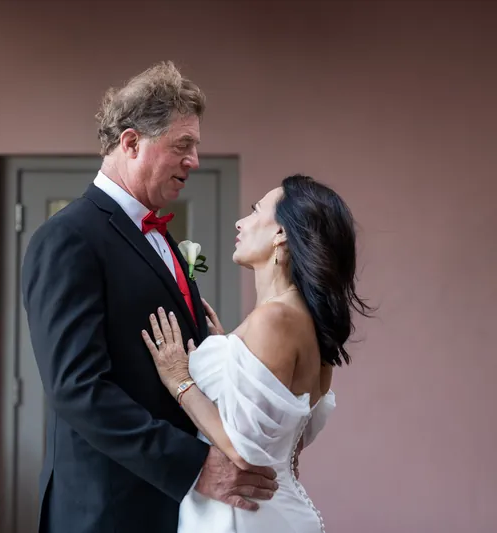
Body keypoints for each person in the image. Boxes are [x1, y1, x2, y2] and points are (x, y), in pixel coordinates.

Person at [21, 61, 277, 533]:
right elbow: (77, 387)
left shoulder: (162, 240)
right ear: (132, 142)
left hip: (170, 509)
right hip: (107, 509)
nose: (195, 161)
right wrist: (193, 465)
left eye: (196, 146)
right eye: (184, 145)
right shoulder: (68, 238)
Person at [142, 174, 373, 532]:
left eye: (255, 211)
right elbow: (279, 437)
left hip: (247, 516)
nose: (240, 221)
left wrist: (180, 380)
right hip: (265, 510)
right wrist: (229, 355)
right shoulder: (300, 319)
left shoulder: (276, 318)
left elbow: (244, 450)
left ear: (281, 233)